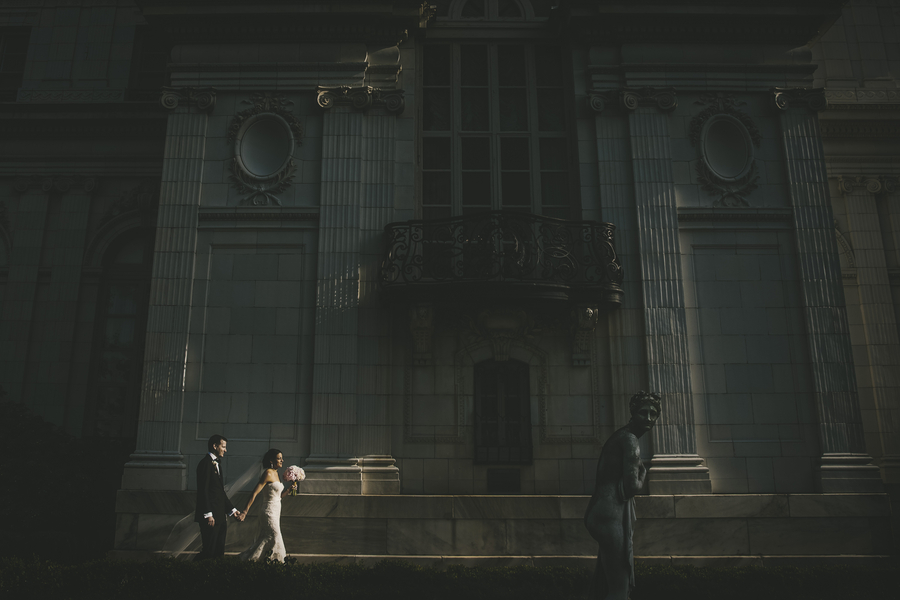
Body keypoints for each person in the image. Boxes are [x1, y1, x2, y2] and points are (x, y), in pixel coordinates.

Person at [583, 391, 661, 600]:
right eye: (643, 412)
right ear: (633, 414)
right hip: (609, 514)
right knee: (619, 586)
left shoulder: (621, 437)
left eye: (653, 414)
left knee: (611, 581)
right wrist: (643, 475)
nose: (648, 418)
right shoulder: (629, 440)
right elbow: (631, 486)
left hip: (604, 511)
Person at [238, 448, 296, 562]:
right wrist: (245, 511)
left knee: (267, 538)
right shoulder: (268, 473)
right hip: (268, 512)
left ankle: (257, 561)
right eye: (279, 458)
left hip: (276, 510)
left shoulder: (277, 473)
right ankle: (272, 562)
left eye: (281, 458)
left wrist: (289, 490)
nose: (282, 461)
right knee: (275, 537)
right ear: (271, 460)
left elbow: (278, 496)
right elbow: (254, 493)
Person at [194, 434, 244, 561]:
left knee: (218, 551)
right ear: (215, 446)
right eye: (223, 447)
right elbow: (203, 491)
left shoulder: (217, 465)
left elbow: (219, 493)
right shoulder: (205, 464)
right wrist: (208, 514)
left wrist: (232, 511)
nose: (225, 450)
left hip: (220, 517)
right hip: (211, 517)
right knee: (209, 552)